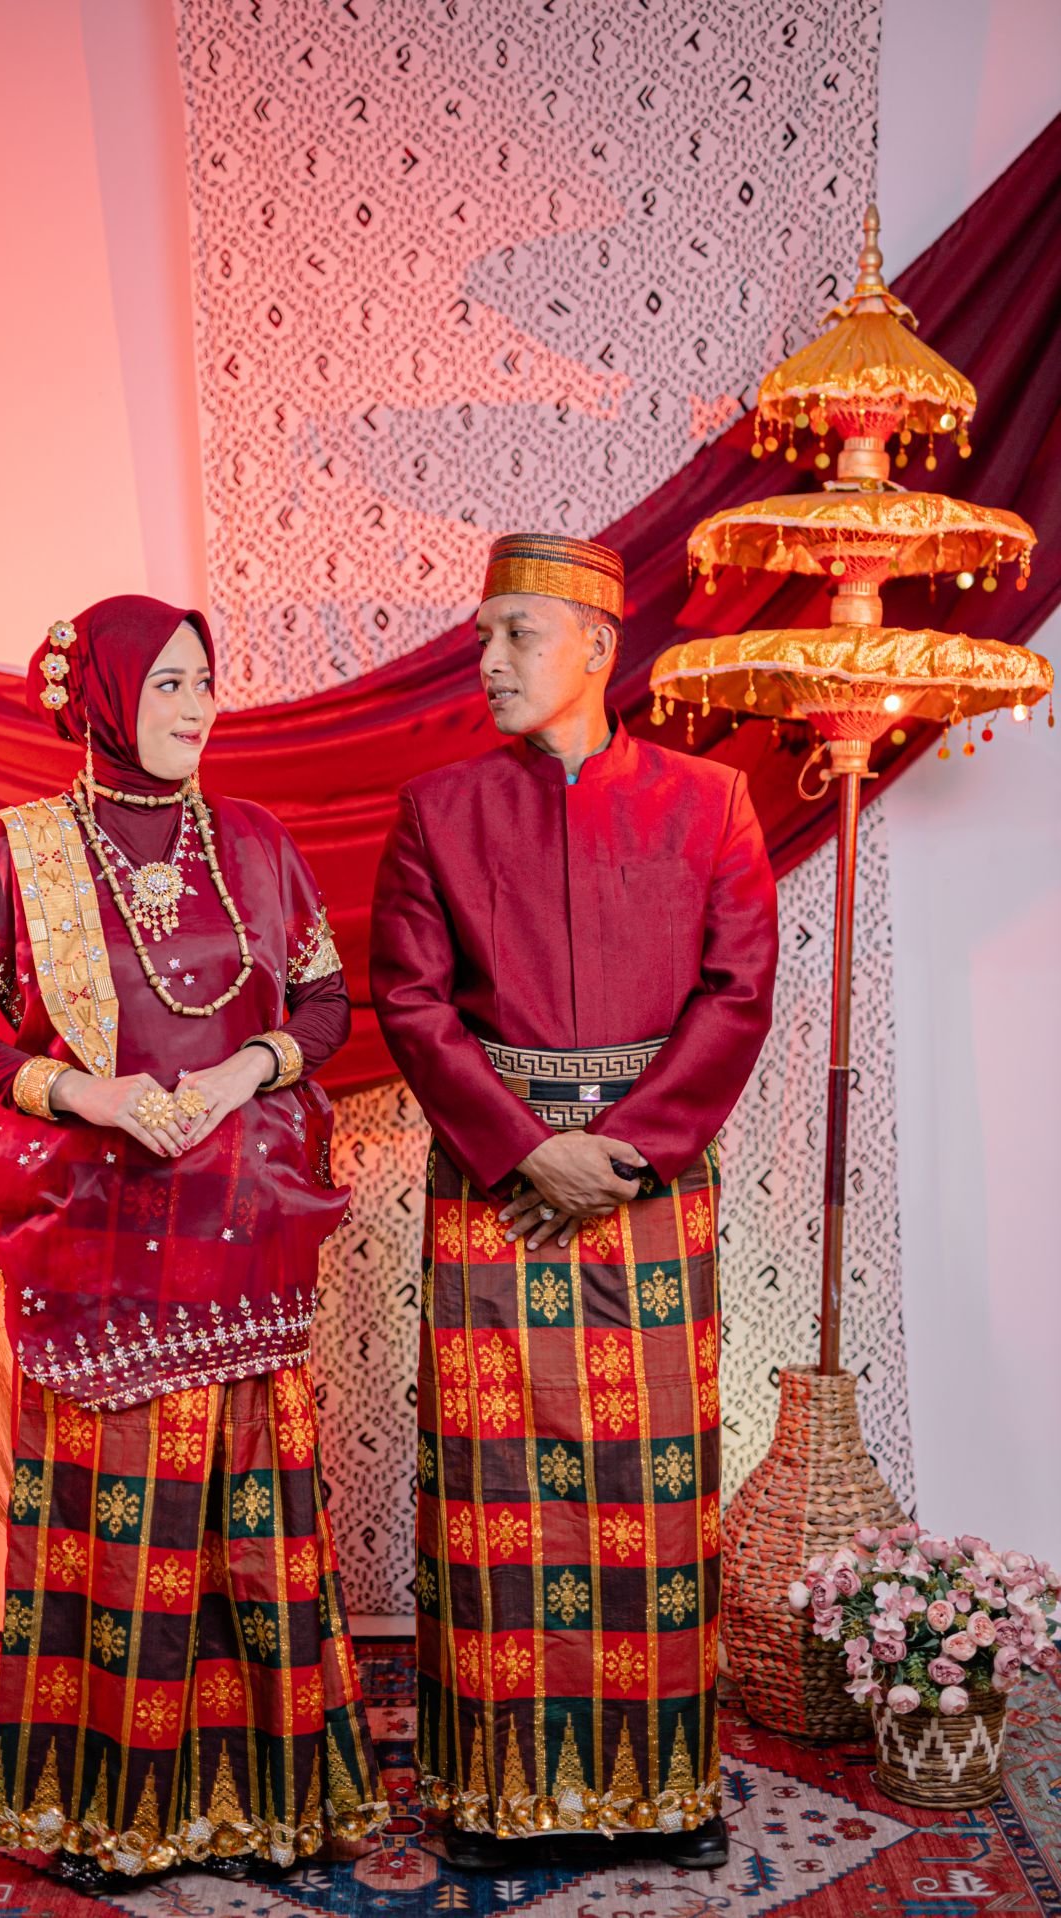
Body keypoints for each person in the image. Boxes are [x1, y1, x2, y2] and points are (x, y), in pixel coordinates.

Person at [0, 596, 384, 1888]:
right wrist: (91, 1095)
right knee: (116, 1516)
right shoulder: (16, 852)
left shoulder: (256, 842)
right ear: (104, 696)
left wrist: (245, 1070)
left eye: (204, 681)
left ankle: (267, 1805)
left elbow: (328, 1004)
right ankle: (109, 1807)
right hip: (100, 1238)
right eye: (168, 683)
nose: (196, 707)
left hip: (242, 1227)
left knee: (250, 1515)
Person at [369, 534, 778, 1872]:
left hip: (648, 1190)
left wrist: (625, 1151)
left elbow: (738, 993)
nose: (489, 662)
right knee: (499, 1485)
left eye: (519, 635)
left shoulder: (711, 801)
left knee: (650, 1486)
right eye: (483, 637)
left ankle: (661, 1790)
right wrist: (522, 1148)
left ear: (599, 647)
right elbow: (411, 1002)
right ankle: (497, 1796)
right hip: (495, 1191)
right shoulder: (437, 809)